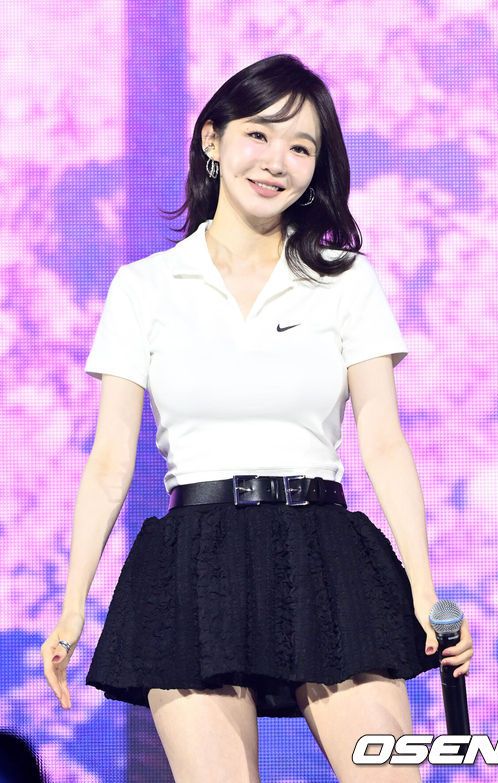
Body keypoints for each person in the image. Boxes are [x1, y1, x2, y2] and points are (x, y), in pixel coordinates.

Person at [41, 54, 473, 782]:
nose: (277, 161)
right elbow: (111, 459)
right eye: (259, 135)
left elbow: (384, 443)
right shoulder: (146, 288)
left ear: (316, 168)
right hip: (197, 560)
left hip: (324, 551)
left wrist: (426, 589)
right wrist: (72, 603)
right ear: (213, 139)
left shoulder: (345, 281)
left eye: (301, 147)